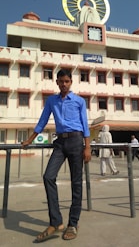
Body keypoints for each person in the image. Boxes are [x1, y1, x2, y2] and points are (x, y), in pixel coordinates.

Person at [22, 69, 91, 242]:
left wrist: (87, 147)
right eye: (61, 81)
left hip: (76, 141)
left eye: (67, 81)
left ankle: (73, 223)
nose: (64, 84)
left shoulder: (79, 101)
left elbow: (85, 124)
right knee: (48, 176)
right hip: (60, 143)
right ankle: (56, 221)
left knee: (76, 183)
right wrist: (29, 139)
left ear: (71, 82)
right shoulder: (52, 101)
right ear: (57, 82)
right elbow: (43, 121)